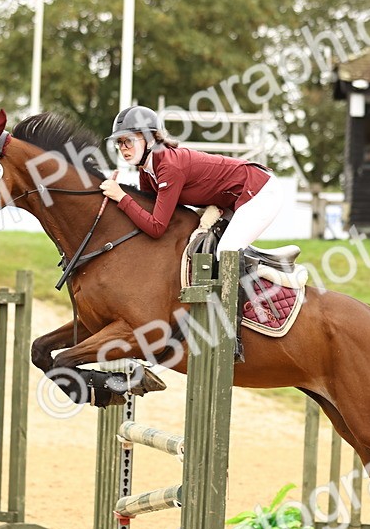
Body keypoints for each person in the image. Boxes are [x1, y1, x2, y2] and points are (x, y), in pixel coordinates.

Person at [100, 105, 285, 361]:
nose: (123, 148)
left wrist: (121, 197)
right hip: (232, 199)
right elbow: (149, 215)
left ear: (150, 138)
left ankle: (232, 335)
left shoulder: (168, 166)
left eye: (128, 141)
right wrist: (121, 196)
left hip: (260, 191)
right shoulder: (147, 171)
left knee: (226, 251)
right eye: (119, 143)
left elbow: (156, 227)